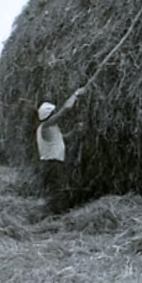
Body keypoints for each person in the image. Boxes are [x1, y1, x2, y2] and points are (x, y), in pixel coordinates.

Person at [36, 87, 86, 216]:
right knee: (56, 190)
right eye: (54, 112)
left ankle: (49, 215)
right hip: (52, 164)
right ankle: (54, 217)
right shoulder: (46, 126)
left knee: (54, 190)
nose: (56, 114)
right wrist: (76, 94)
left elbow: (62, 139)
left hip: (51, 164)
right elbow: (66, 109)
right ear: (50, 115)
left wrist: (75, 130)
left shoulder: (49, 128)